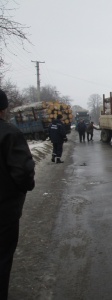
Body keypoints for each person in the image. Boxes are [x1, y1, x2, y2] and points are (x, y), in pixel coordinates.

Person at [0, 89, 35, 299]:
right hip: (4, 210)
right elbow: (23, 170)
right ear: (4, 108)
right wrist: (24, 187)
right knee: (2, 257)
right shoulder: (9, 133)